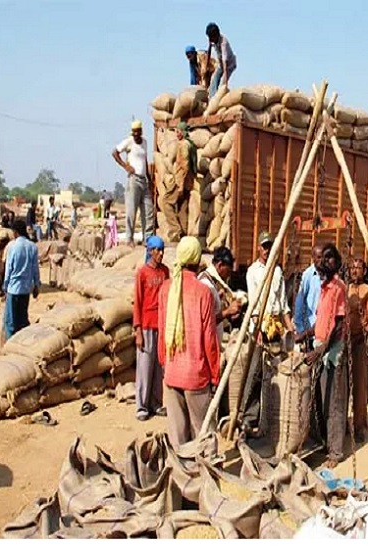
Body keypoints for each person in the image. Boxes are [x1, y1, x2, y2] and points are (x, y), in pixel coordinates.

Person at [157, 237, 220, 449]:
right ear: (197, 259)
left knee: (178, 438)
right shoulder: (203, 292)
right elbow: (209, 338)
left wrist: (164, 363)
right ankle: (207, 468)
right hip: (196, 375)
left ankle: (181, 469)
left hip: (172, 373)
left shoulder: (166, 288)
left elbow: (162, 331)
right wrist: (214, 374)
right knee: (203, 435)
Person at [297, 243, 348, 468]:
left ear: (336, 262)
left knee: (333, 403)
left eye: (329, 258)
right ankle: (324, 442)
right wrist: (306, 334)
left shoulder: (338, 288)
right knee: (320, 400)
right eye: (321, 258)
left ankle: (335, 452)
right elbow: (322, 321)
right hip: (320, 347)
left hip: (332, 352)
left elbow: (338, 325)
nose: (323, 262)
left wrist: (320, 350)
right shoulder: (324, 287)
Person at [241, 231, 294, 434]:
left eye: (270, 246)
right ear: (258, 248)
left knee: (275, 374)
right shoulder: (253, 272)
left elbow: (283, 303)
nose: (267, 250)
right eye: (264, 246)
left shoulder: (277, 271)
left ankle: (271, 417)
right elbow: (253, 304)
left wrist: (290, 328)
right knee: (255, 373)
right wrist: (257, 330)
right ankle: (249, 417)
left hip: (275, 326)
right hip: (260, 326)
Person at [133, 236, 170, 421]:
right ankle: (142, 406)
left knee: (158, 367)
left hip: (161, 325)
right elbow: (137, 302)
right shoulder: (142, 273)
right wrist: (138, 330)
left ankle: (156, 403)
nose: (161, 253)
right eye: (158, 250)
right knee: (145, 368)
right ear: (150, 251)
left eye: (162, 250)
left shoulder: (165, 272)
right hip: (147, 325)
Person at [112, 120, 155, 246]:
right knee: (131, 210)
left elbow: (145, 160)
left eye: (138, 132)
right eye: (134, 132)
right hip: (134, 180)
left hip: (143, 180)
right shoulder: (129, 142)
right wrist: (125, 166)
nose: (136, 134)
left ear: (141, 131)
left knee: (148, 210)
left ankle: (147, 238)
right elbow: (115, 152)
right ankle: (129, 239)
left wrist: (149, 178)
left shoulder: (144, 142)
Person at [347, 258, 368, 443]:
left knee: (359, 386)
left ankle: (359, 426)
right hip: (345, 342)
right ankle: (343, 423)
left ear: (364, 271)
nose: (355, 271)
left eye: (358, 268)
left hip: (358, 343)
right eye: (352, 268)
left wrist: (360, 336)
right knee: (343, 385)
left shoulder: (367, 292)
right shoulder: (346, 289)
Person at [3, 219, 41, 338]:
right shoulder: (32, 247)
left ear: (15, 232)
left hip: (13, 289)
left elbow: (8, 269)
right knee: (22, 320)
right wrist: (36, 285)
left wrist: (5, 286)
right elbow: (35, 269)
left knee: (10, 322)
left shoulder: (13, 247)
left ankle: (11, 344)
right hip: (25, 289)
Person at [198, 246, 242, 348]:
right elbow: (205, 321)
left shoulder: (210, 282)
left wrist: (218, 297)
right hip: (206, 346)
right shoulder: (206, 285)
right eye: (228, 271)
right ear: (220, 265)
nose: (228, 275)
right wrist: (228, 312)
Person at [294, 244, 324, 351]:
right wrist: (301, 330)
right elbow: (300, 302)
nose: (321, 260)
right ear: (313, 258)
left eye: (323, 257)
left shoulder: (328, 275)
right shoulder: (308, 275)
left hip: (323, 331)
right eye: (318, 257)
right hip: (309, 330)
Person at [205, 22, 237, 98]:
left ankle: (222, 97)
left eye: (211, 38)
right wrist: (207, 65)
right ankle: (213, 98)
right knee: (214, 80)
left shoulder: (223, 43)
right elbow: (209, 50)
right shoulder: (211, 39)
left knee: (223, 85)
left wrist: (225, 77)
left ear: (216, 35)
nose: (210, 40)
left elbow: (225, 60)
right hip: (221, 64)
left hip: (229, 65)